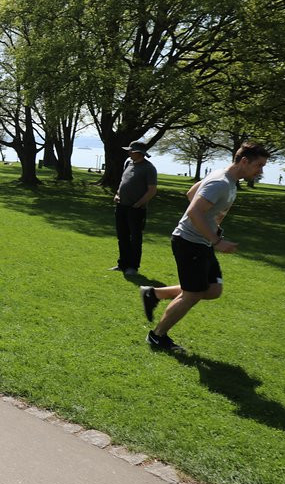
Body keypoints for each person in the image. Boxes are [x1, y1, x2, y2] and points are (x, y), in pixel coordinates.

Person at [139, 142, 270, 352]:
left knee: (213, 290)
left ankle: (154, 294)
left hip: (201, 241)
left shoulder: (227, 178)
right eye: (259, 165)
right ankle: (157, 336)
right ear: (244, 161)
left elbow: (191, 193)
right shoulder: (221, 182)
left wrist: (211, 227)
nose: (261, 170)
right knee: (192, 294)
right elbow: (193, 211)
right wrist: (217, 240)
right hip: (189, 242)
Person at [111, 141, 158, 276]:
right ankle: (122, 264)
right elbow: (122, 182)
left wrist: (139, 204)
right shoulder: (128, 163)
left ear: (140, 153)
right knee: (122, 237)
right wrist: (117, 194)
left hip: (136, 210)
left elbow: (152, 190)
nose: (129, 152)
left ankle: (133, 267)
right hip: (121, 207)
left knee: (135, 239)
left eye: (131, 151)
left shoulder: (149, 168)